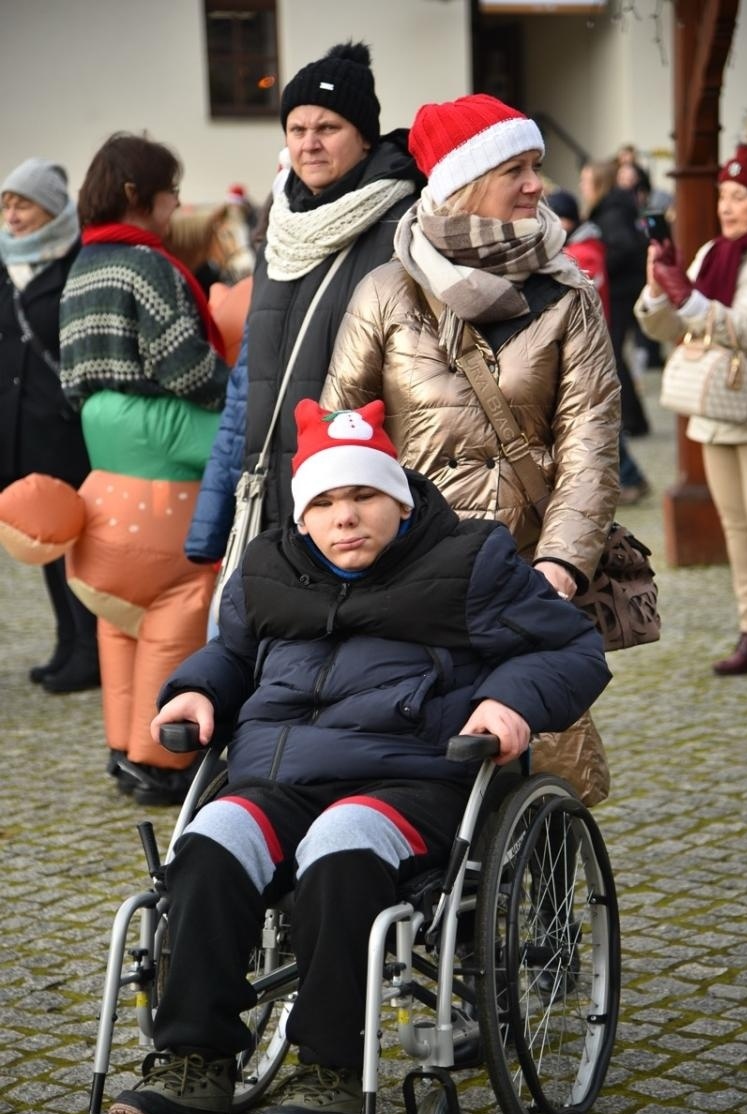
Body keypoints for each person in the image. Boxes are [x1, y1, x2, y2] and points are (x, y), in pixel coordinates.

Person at [105, 398, 611, 1114]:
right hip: (276, 778)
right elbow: (234, 655)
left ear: (399, 502)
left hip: (408, 781)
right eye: (326, 502)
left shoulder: (470, 561)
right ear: (304, 515)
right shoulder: (269, 566)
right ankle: (192, 1067)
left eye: (365, 496)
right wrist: (196, 689)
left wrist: (507, 702)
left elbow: (570, 649)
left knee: (342, 847)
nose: (346, 517)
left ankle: (330, 1075)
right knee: (208, 842)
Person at [320, 94, 621, 808]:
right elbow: (341, 433)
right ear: (463, 184)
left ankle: (540, 899)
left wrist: (560, 566)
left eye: (535, 167)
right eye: (514, 168)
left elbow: (590, 437)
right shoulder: (386, 292)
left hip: (524, 570)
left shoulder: (566, 294)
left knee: (540, 760)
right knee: (416, 760)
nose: (533, 185)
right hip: (410, 569)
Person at [184, 40, 423, 568]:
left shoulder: (403, 226)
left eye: (328, 128)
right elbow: (249, 379)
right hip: (274, 494)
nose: (309, 144)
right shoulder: (280, 230)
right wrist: (212, 516)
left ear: (364, 137)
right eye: (297, 130)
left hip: (355, 507)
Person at [59, 133, 229, 803]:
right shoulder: (145, 266)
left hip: (105, 479)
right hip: (163, 474)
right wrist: (237, 388)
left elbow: (75, 372)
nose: (176, 206)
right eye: (170, 194)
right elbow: (184, 366)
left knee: (118, 628)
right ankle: (164, 758)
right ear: (139, 196)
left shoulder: (83, 265)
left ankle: (121, 748)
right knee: (175, 612)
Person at [635, 108, 747, 686]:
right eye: (724, 194)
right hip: (719, 405)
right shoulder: (714, 253)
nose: (726, 205)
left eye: (739, 195)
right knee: (736, 522)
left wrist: (688, 297)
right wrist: (661, 285)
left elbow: (745, 328)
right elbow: (668, 329)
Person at [0, 157, 99, 692]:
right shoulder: (3, 262)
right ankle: (66, 641)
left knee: (71, 540)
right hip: (15, 425)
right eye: (7, 204)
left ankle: (89, 648)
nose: (12, 215)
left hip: (60, 426)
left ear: (54, 209)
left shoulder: (76, 262)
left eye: (23, 204)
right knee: (37, 535)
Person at [547, 187, 650, 505]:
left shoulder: (582, 252)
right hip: (590, 341)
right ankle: (627, 478)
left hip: (589, 345)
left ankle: (631, 478)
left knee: (600, 422)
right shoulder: (582, 246)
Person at [579, 158, 650, 436]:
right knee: (615, 354)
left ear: (599, 183)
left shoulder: (611, 212)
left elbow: (623, 249)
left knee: (613, 354)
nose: (582, 186)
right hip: (623, 289)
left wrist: (598, 266)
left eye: (586, 181)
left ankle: (632, 421)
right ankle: (634, 420)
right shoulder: (613, 207)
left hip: (619, 292)